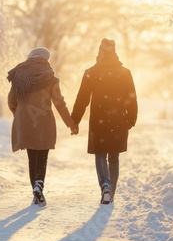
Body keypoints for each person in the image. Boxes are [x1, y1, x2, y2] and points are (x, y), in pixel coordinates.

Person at [7, 47, 78, 207]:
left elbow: (11, 100)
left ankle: (35, 191)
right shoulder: (50, 78)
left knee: (32, 158)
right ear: (46, 60)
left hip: (25, 121)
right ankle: (39, 184)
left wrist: (18, 115)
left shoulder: (18, 75)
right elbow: (59, 103)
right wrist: (71, 123)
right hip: (44, 121)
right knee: (42, 156)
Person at [71, 38, 137, 204]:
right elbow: (131, 98)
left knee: (100, 154)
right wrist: (131, 119)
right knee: (113, 156)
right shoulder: (124, 72)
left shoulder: (91, 72)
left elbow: (82, 99)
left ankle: (105, 186)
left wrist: (75, 120)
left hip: (98, 120)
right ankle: (111, 192)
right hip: (118, 120)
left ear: (101, 52)